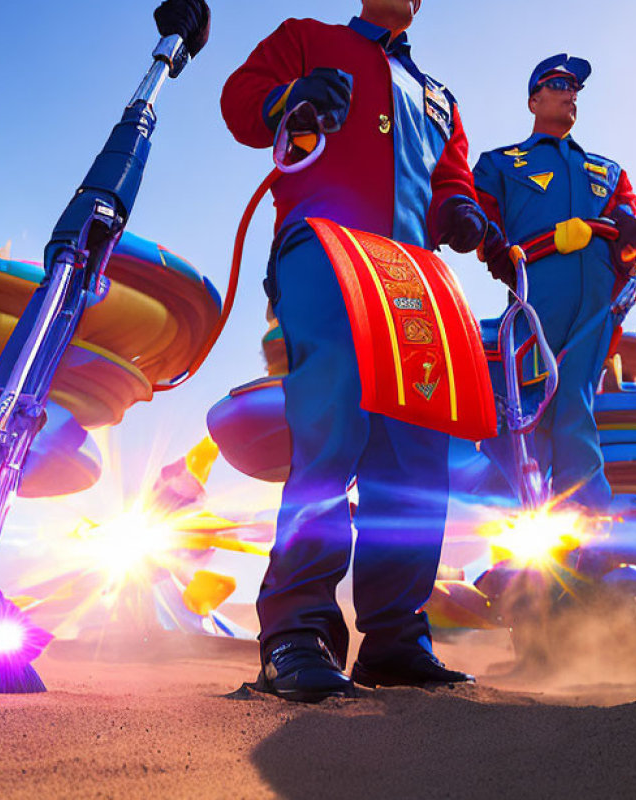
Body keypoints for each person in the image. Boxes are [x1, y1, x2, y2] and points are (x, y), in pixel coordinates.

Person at [221, 0, 497, 702]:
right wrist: (290, 98)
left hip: (414, 276)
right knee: (332, 422)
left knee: (416, 453)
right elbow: (240, 104)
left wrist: (459, 210)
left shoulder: (441, 98)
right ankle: (296, 629)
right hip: (324, 245)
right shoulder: (305, 39)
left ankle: (395, 638)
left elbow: (449, 180)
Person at [473, 55, 636, 512]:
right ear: (534, 100)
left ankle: (588, 534)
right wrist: (497, 252)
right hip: (538, 292)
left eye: (574, 87)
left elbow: (631, 221)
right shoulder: (500, 163)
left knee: (574, 405)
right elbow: (480, 218)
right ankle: (501, 528)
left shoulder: (607, 171)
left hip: (596, 302)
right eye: (558, 84)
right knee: (524, 404)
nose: (570, 93)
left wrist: (632, 236)